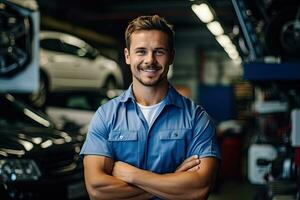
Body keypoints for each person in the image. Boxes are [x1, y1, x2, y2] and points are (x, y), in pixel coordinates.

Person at [80, 15, 221, 200]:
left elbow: (198, 189)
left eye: (159, 51)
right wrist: (173, 179)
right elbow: (97, 190)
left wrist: (133, 175)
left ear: (171, 56)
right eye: (141, 51)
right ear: (127, 56)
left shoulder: (196, 118)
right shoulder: (106, 115)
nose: (150, 60)